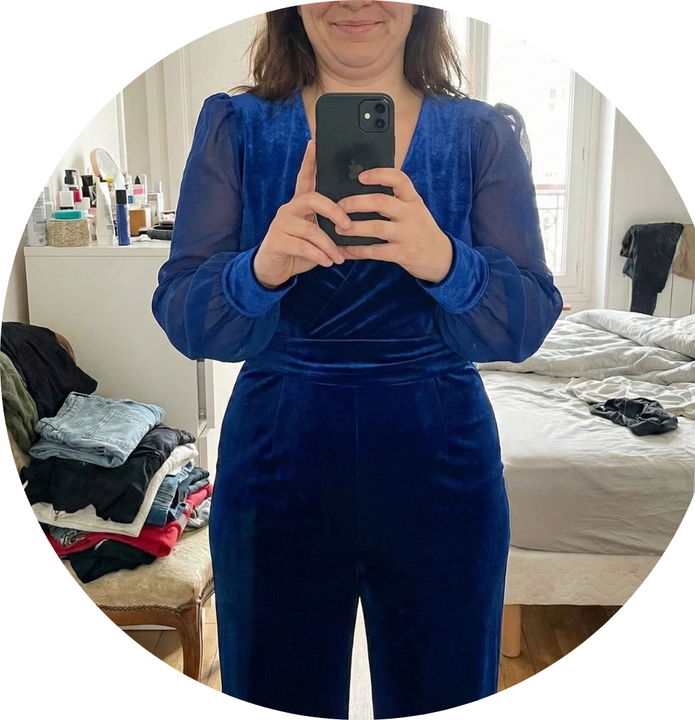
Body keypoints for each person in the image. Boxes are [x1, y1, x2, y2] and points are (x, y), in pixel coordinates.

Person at [152, 3, 563, 718]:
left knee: (446, 694)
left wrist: (446, 262)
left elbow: (526, 321)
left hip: (443, 473)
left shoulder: (480, 135)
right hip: (275, 469)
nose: (355, 2)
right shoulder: (237, 128)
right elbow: (184, 313)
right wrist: (259, 270)